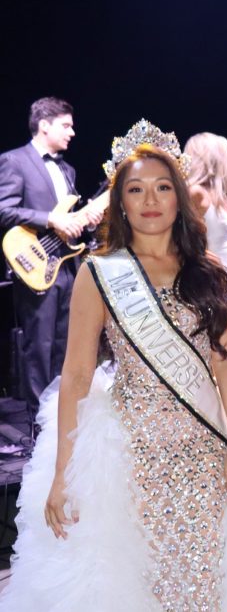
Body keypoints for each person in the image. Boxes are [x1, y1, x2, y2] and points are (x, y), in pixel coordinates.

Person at [0, 120, 227, 611]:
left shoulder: (208, 270)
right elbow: (75, 377)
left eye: (162, 187)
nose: (150, 199)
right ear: (120, 202)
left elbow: (225, 362)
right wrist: (62, 475)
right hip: (132, 455)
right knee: (149, 583)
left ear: (180, 197)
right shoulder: (100, 272)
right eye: (135, 189)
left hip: (205, 447)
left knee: (209, 578)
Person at [0, 97, 103, 414]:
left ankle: (62, 416)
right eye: (66, 125)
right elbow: (4, 209)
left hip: (67, 266)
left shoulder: (68, 170)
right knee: (39, 346)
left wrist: (88, 221)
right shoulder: (14, 161)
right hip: (35, 265)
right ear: (44, 125)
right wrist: (50, 219)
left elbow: (71, 223)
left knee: (65, 344)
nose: (73, 132)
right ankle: (38, 422)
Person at [185, 132, 227, 331]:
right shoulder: (195, 192)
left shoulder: (223, 199)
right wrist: (204, 256)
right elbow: (181, 237)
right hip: (209, 280)